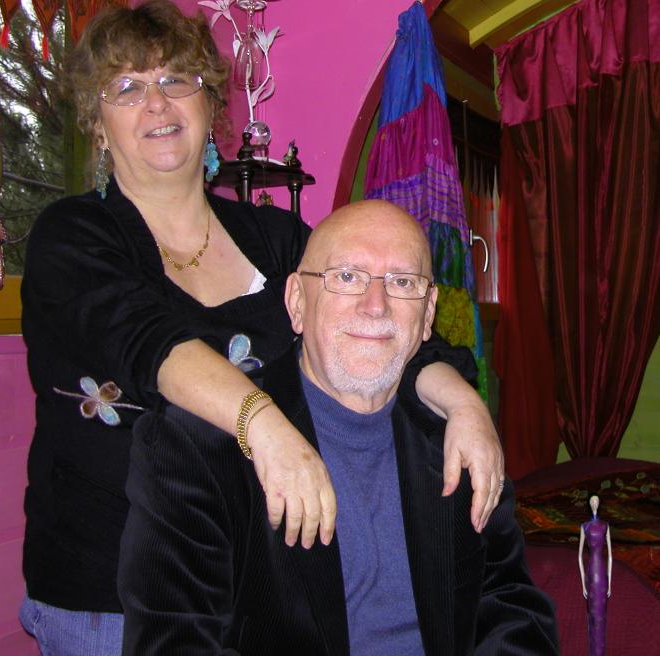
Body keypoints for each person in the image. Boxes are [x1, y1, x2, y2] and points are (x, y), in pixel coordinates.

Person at [18, 0, 503, 656]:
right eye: (126, 87)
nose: (156, 103)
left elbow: (381, 318)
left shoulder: (276, 239)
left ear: (209, 108)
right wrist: (265, 425)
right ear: (97, 124)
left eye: (175, 79)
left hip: (256, 584)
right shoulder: (72, 237)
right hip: (107, 596)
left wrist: (464, 405)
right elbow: (150, 343)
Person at [119, 199, 559, 656]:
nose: (376, 305)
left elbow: (509, 607)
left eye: (402, 282)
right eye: (347, 276)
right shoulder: (195, 448)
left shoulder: (459, 437)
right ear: (297, 302)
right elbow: (175, 641)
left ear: (428, 314)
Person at [578, 494, 612, 656]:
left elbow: (610, 555)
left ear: (599, 503)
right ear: (589, 503)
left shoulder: (605, 526)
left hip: (602, 572)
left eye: (596, 500)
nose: (594, 503)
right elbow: (579, 556)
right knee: (592, 613)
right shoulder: (584, 526)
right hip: (591, 572)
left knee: (601, 614)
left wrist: (610, 582)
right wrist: (583, 584)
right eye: (592, 500)